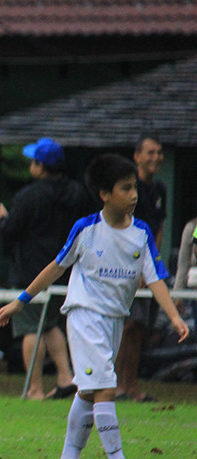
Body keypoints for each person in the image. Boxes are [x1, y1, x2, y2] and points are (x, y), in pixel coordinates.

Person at [0, 154, 189, 459]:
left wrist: (173, 316)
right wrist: (21, 300)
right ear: (104, 194)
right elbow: (56, 267)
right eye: (125, 188)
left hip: (114, 319)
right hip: (85, 316)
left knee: (88, 390)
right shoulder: (86, 229)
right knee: (105, 387)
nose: (134, 195)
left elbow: (155, 278)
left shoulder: (141, 233)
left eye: (134, 188)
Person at [0, 138, 92, 400]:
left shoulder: (29, 196)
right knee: (49, 325)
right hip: (65, 270)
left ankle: (34, 387)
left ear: (40, 165)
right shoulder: (77, 193)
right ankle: (65, 377)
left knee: (29, 328)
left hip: (30, 273)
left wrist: (2, 220)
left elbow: (11, 231)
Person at [114, 135, 168, 402]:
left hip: (147, 268)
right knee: (124, 326)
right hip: (124, 267)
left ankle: (131, 386)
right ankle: (114, 386)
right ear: (136, 156)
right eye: (150, 152)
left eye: (159, 152)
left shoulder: (159, 190)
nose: (155, 157)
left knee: (139, 328)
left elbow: (157, 230)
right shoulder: (126, 188)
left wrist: (151, 267)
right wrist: (134, 270)